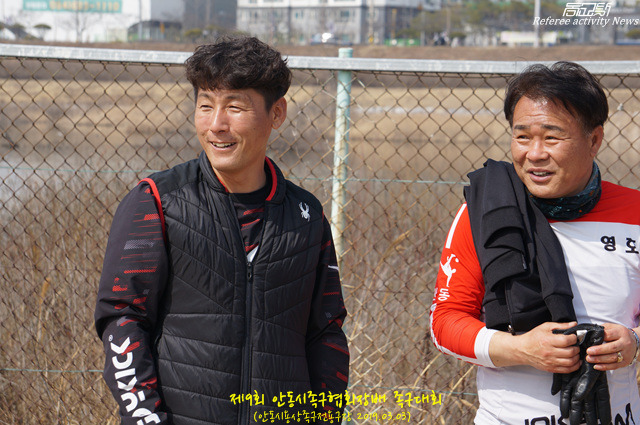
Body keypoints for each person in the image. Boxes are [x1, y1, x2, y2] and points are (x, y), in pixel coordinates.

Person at [94, 36, 349, 425]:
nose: (216, 125)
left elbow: (326, 333)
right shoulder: (157, 201)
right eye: (206, 105)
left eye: (235, 107)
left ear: (277, 112)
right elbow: (123, 320)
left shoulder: (307, 216)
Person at [430, 61, 640, 425]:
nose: (535, 153)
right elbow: (445, 322)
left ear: (594, 140)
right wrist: (520, 349)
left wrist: (634, 342)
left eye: (552, 138)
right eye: (523, 136)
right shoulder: (482, 214)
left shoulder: (633, 212)